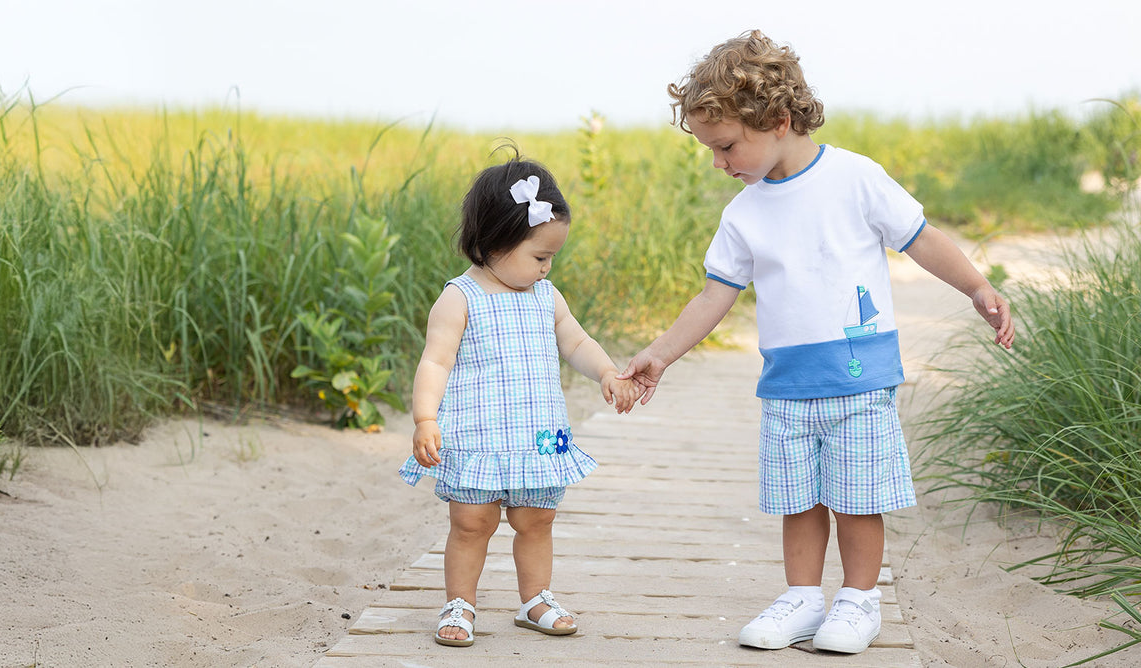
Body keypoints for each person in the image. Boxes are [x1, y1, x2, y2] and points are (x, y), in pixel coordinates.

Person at [618, 30, 1016, 654]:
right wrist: (661, 352)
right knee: (798, 500)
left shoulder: (856, 179)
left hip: (861, 380)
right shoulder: (743, 214)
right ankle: (802, 597)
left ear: (777, 120)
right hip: (787, 386)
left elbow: (920, 237)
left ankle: (859, 600)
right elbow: (714, 295)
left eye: (725, 147)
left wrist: (977, 287)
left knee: (857, 500)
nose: (719, 163)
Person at [399, 156, 643, 647]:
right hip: (479, 437)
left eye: (552, 256)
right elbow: (435, 364)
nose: (547, 266)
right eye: (538, 256)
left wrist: (607, 372)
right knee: (472, 522)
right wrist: (426, 417)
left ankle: (535, 598)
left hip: (536, 436)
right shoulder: (460, 298)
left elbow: (575, 341)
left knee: (537, 519)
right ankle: (460, 603)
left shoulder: (546, 296)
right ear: (493, 243)